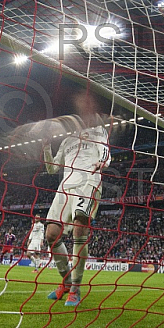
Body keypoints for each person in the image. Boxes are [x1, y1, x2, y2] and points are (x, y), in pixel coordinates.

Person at [41, 106, 110, 308]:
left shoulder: (98, 131)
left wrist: (101, 162)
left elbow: (105, 151)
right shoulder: (66, 141)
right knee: (51, 235)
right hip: (66, 186)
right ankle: (66, 281)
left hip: (88, 182)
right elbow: (52, 168)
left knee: (80, 228)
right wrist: (46, 148)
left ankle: (75, 288)